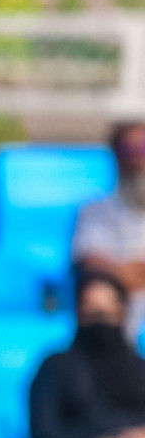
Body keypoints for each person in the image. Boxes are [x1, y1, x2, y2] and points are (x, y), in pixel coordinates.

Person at [31, 270, 145, 438]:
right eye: (92, 311)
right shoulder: (56, 366)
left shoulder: (139, 367)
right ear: (77, 312)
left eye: (108, 312)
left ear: (123, 313)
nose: (101, 320)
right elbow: (45, 432)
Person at [73, 122, 145, 337]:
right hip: (120, 312)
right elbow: (96, 268)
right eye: (129, 151)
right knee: (101, 297)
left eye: (143, 149)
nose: (137, 160)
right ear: (115, 156)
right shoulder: (94, 212)